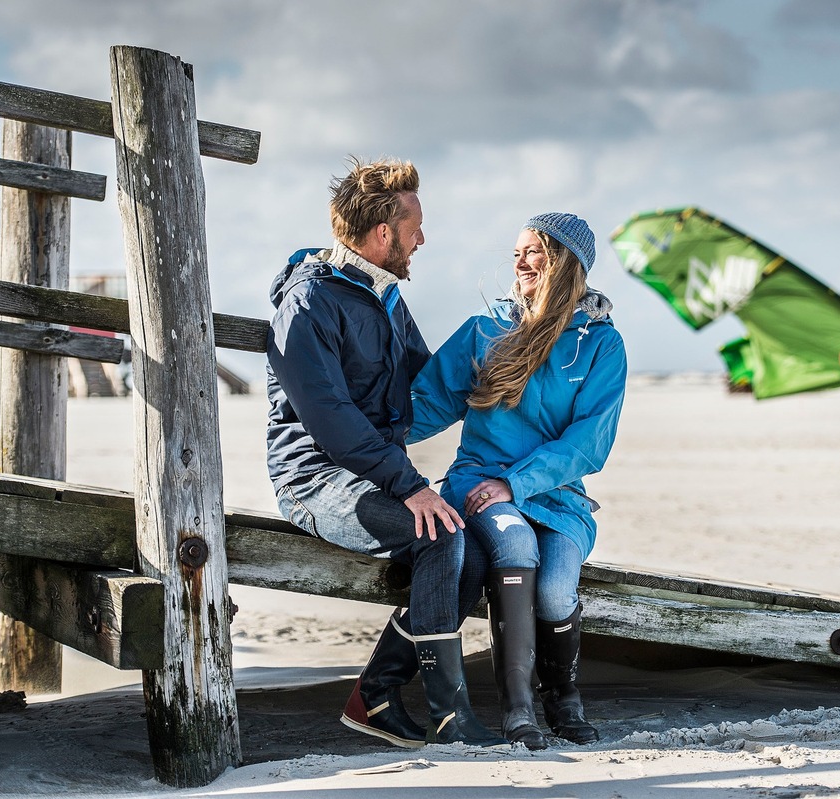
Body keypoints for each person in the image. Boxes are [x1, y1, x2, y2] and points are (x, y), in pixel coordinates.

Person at [265, 157, 503, 749]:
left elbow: (428, 383)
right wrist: (409, 484)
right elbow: (331, 421)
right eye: (415, 225)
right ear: (382, 234)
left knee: (472, 550)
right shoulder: (308, 304)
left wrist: (506, 370)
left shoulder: (386, 297)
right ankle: (449, 716)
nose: (422, 237)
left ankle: (375, 693)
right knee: (440, 535)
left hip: (375, 475)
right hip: (317, 479)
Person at [408, 212, 627, 749]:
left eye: (534, 251)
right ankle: (518, 706)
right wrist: (358, 440)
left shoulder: (600, 344)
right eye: (517, 252)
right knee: (515, 540)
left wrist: (519, 482)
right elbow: (426, 403)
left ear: (565, 263)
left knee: (556, 590)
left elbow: (588, 443)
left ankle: (563, 696)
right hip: (480, 483)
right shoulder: (486, 330)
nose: (521, 262)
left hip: (556, 495)